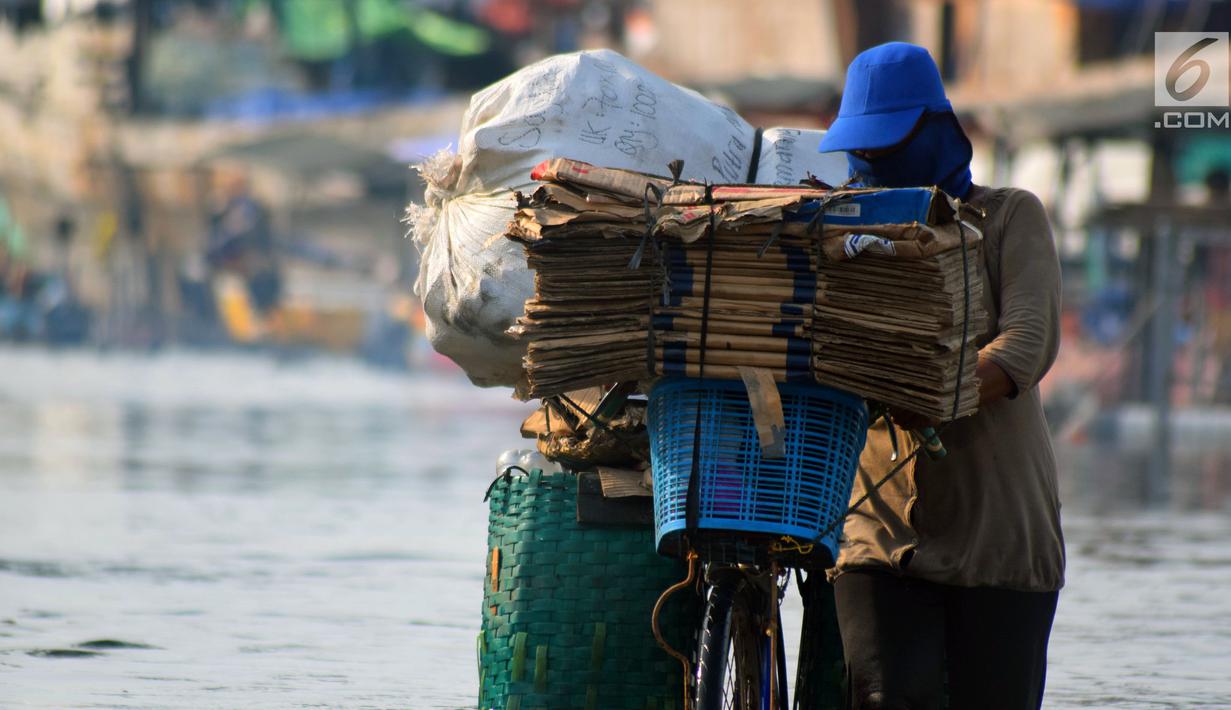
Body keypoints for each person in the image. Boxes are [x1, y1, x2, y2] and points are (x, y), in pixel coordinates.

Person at [817, 42, 1065, 709]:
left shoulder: (1009, 217)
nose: (874, 165)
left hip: (999, 535)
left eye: (889, 147)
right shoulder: (838, 230)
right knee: (886, 695)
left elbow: (1023, 348)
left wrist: (926, 394)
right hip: (879, 534)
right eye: (863, 151)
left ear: (936, 132)